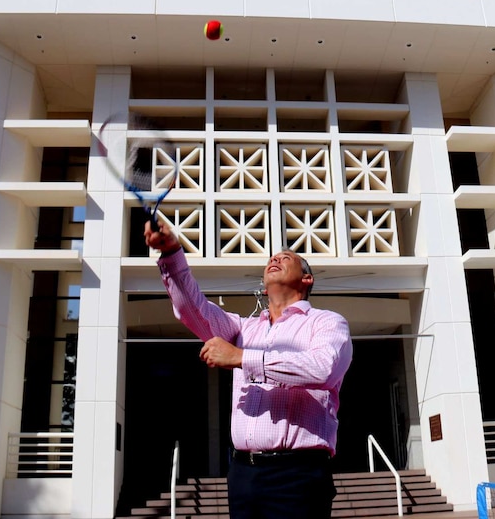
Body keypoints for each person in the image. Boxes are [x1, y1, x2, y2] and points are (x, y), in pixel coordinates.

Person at [144, 221, 353, 519]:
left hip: (299, 473)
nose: (275, 259)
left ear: (307, 279)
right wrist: (171, 253)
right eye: (271, 258)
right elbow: (194, 309)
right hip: (243, 473)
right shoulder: (243, 327)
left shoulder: (327, 322)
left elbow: (323, 369)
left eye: (286, 258)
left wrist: (244, 358)